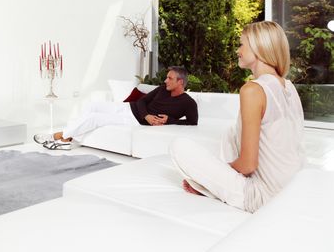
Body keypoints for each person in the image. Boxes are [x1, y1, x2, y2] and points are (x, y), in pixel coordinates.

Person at [170, 21, 305, 213]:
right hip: (292, 191)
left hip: (264, 197)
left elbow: (248, 165)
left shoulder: (253, 89)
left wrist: (213, 177)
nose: (237, 51)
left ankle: (211, 188)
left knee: (178, 146)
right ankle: (214, 186)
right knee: (231, 133)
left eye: (242, 44)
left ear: (259, 47)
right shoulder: (289, 87)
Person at [34, 66, 198, 150]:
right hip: (129, 108)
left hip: (133, 120)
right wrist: (147, 115)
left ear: (180, 82)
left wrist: (171, 120)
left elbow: (192, 122)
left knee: (94, 118)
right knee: (91, 105)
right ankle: (68, 139)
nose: (165, 81)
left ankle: (55, 136)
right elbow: (141, 102)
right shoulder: (162, 89)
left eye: (169, 78)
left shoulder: (188, 103)